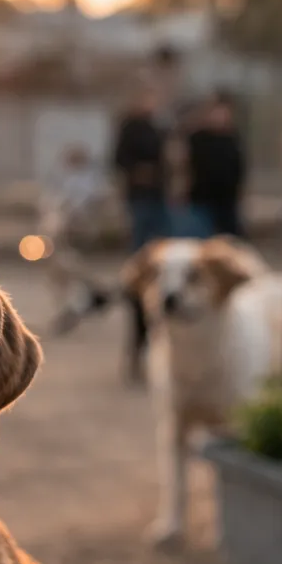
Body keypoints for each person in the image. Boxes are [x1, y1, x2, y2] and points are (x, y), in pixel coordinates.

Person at [111, 83, 169, 383]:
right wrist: (141, 173)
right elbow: (120, 162)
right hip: (143, 202)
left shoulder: (161, 128)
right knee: (141, 275)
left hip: (160, 203)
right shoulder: (131, 128)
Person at [39, 144, 111, 335]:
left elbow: (97, 202)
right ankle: (82, 302)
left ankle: (78, 306)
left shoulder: (92, 181)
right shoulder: (59, 179)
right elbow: (49, 205)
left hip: (78, 235)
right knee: (60, 274)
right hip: (57, 237)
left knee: (74, 271)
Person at [184, 91, 247, 239]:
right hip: (202, 198)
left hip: (227, 199)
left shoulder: (232, 138)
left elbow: (238, 166)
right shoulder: (198, 138)